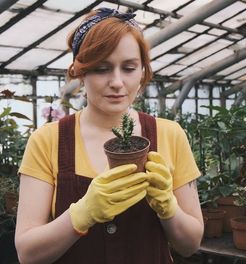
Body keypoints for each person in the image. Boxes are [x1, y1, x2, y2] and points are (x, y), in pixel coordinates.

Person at [14, 8, 203, 264]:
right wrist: (83, 213)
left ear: (142, 71)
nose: (116, 82)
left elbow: (190, 244)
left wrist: (168, 207)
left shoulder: (170, 134)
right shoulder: (48, 140)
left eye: (129, 68)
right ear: (80, 72)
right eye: (101, 69)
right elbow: (27, 253)